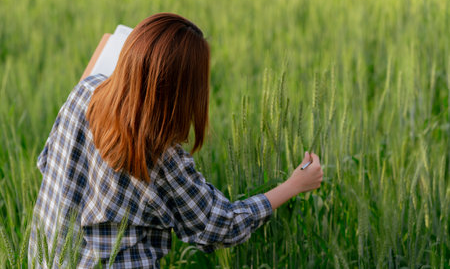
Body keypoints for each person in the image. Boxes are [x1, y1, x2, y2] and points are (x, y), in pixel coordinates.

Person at [28, 13, 323, 268]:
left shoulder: (84, 91)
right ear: (184, 93)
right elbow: (219, 226)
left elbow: (50, 162)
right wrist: (295, 185)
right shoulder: (162, 157)